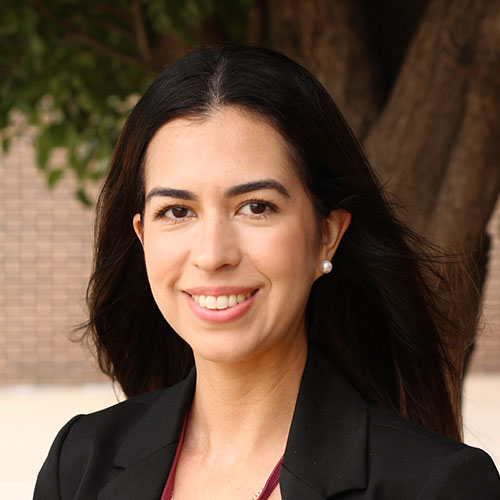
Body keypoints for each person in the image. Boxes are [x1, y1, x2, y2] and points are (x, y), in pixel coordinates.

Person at [34, 45, 499, 500]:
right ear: (141, 237)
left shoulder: (436, 485)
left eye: (256, 207)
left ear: (327, 235)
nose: (213, 254)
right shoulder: (78, 465)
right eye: (177, 211)